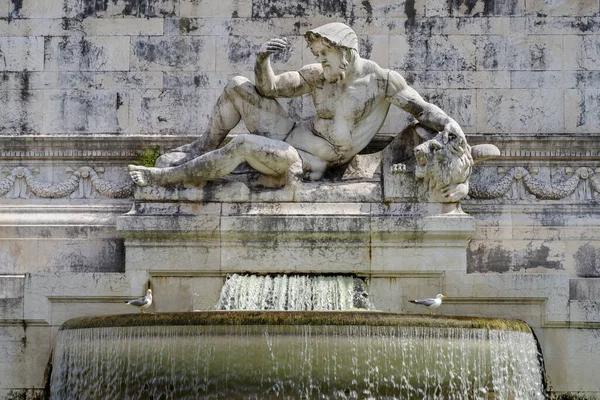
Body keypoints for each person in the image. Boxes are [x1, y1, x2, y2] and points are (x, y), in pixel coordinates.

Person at [129, 22, 465, 187]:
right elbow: (270, 88)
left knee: (243, 144)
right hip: (288, 132)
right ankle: (200, 148)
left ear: (345, 52)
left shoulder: (382, 81)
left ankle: (165, 178)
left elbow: (422, 110)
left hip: (305, 158)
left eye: (324, 54)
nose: (319, 60)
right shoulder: (318, 75)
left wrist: (452, 126)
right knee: (237, 87)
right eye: (317, 55)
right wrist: (262, 60)